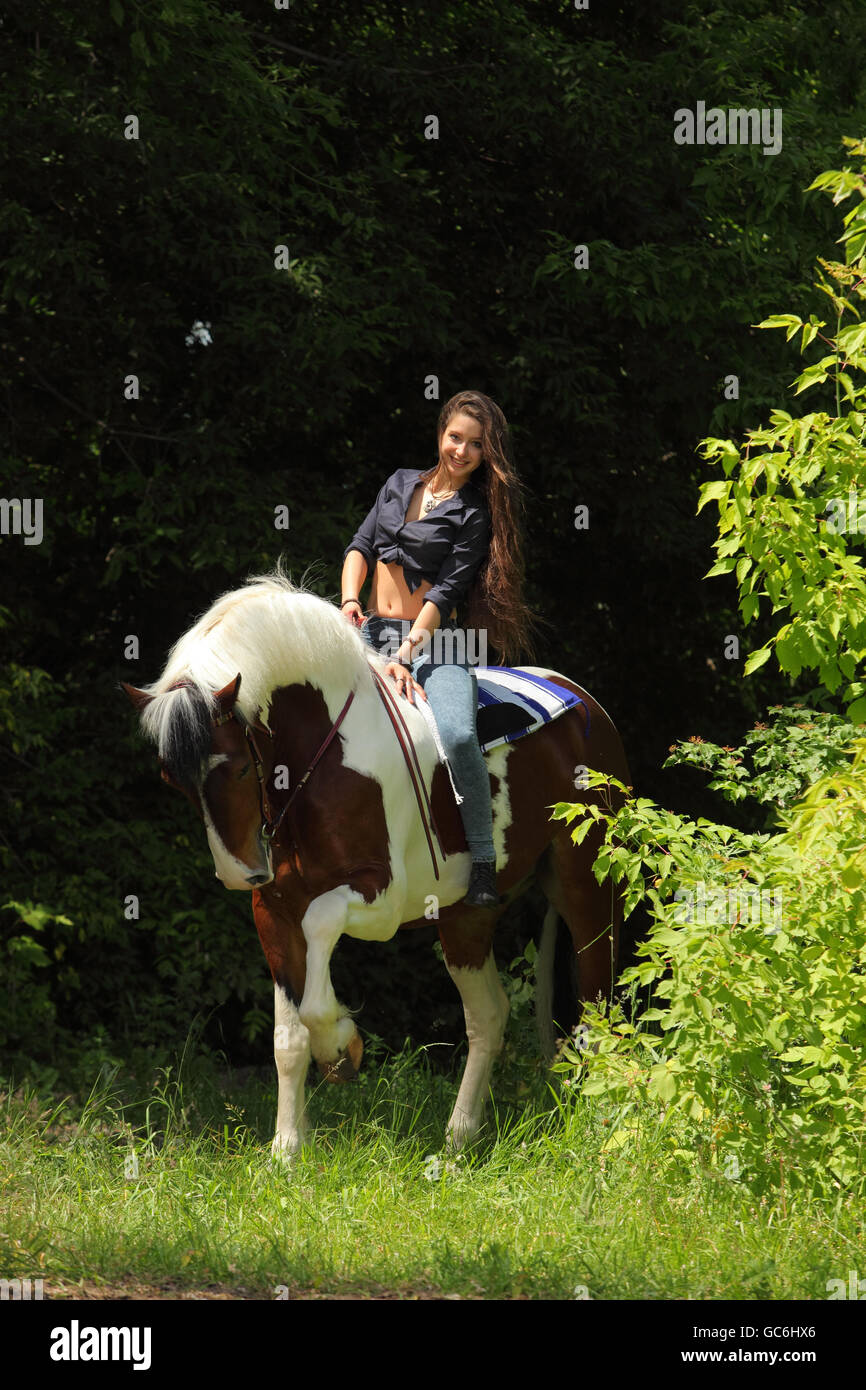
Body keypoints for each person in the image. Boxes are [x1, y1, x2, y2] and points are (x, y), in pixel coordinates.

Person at [340, 390, 537, 907]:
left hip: (440, 642)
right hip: (369, 630)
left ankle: (482, 862)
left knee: (455, 731)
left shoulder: (475, 514)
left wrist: (403, 655)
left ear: (485, 454)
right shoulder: (399, 482)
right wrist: (346, 603)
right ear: (440, 433)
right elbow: (360, 546)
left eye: (476, 445)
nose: (462, 451)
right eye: (456, 437)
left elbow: (448, 592)